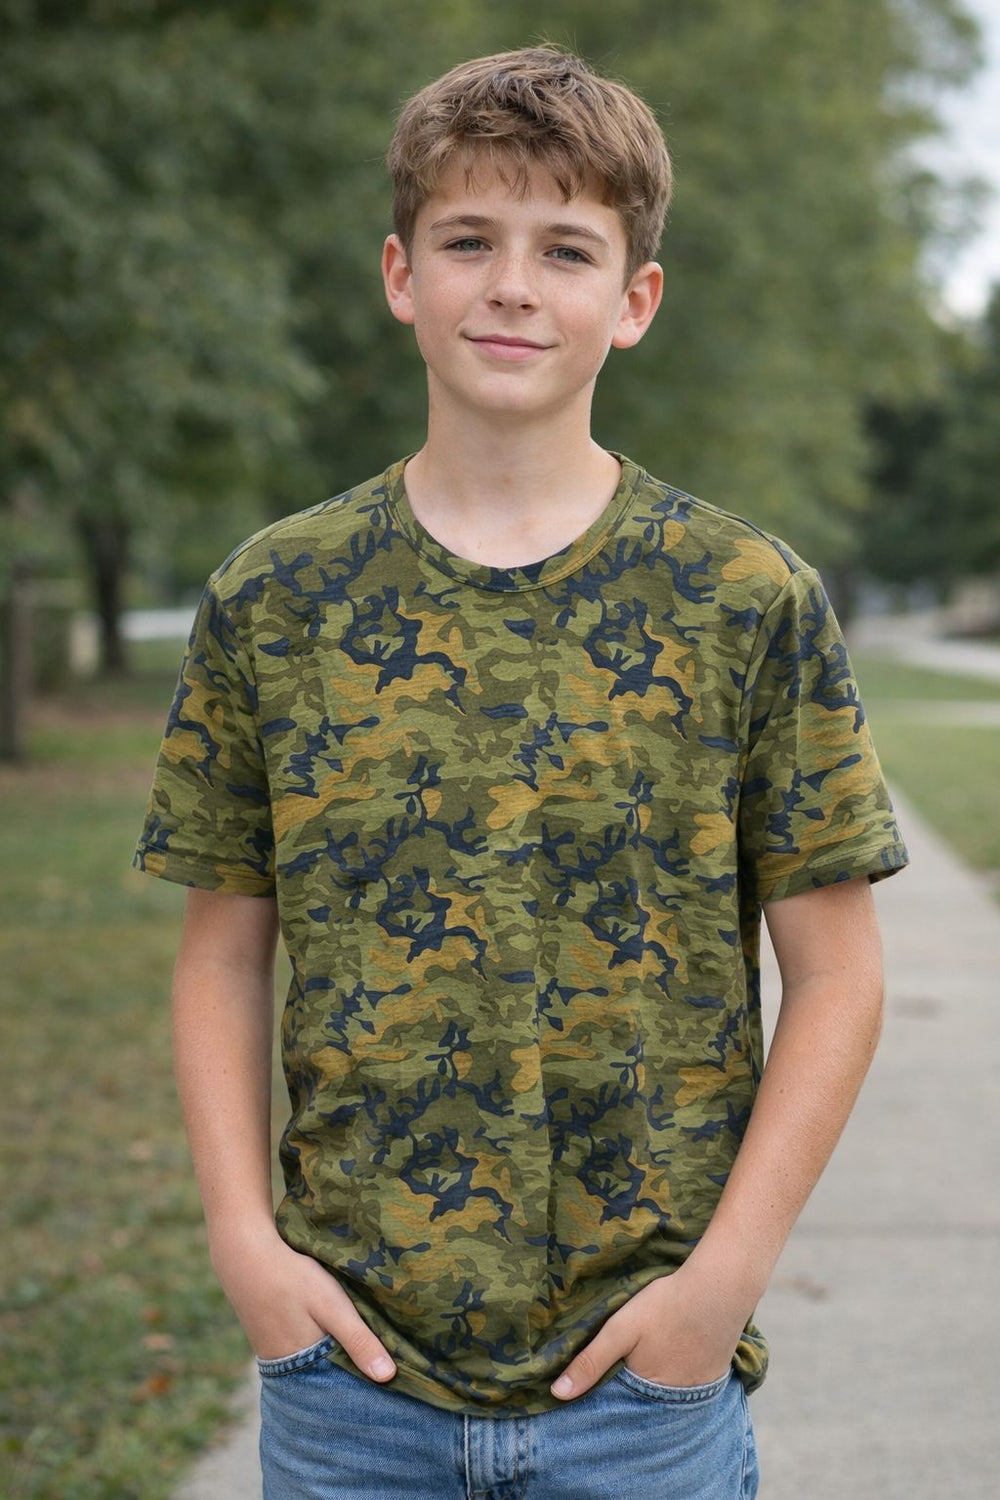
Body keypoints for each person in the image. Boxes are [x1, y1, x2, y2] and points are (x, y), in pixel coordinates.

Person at [134, 45, 908, 1500]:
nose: (510, 286)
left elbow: (840, 975)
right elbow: (224, 954)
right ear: (399, 274)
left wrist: (719, 1290)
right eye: (467, 241)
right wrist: (245, 1246)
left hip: (645, 1385)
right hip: (351, 1380)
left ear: (635, 300)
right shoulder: (275, 599)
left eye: (565, 249)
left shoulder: (744, 599)